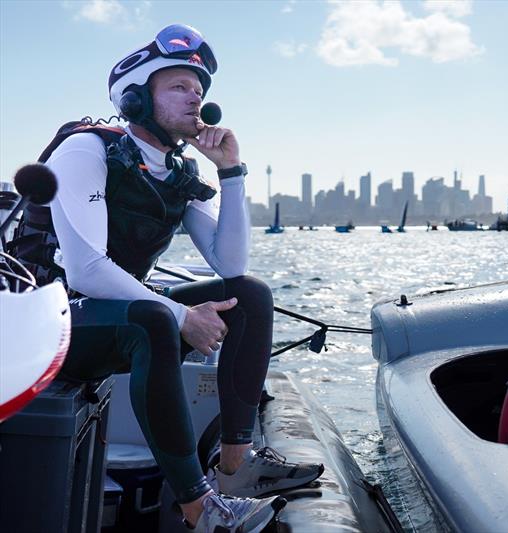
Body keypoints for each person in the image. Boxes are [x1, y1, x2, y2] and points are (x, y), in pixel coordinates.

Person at [12, 24, 322, 532]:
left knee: (250, 295)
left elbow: (232, 267)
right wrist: (182, 315)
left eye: (199, 91)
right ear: (135, 98)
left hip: (113, 316)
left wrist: (231, 171)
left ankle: (236, 467)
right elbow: (87, 271)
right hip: (46, 325)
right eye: (178, 86)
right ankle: (203, 511)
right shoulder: (86, 150)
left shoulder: (176, 173)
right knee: (155, 318)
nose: (194, 99)